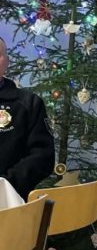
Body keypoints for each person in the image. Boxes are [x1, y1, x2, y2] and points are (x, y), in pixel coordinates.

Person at [0, 36, 55, 200]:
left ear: (7, 61)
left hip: (10, 200)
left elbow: (43, 156)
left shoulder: (29, 104)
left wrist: (5, 185)